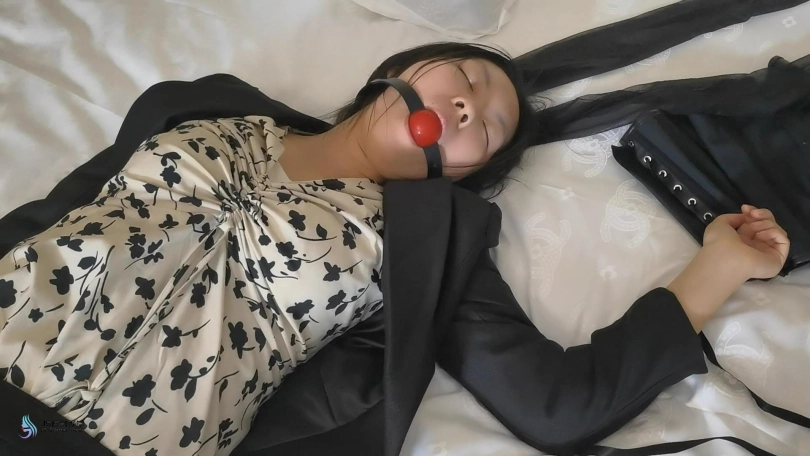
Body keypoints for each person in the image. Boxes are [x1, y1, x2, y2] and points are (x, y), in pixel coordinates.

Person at [0, 42, 790, 456]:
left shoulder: (426, 238)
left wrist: (715, 269)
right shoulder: (204, 106)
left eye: (488, 125)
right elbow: (54, 218)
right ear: (403, 70)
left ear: (470, 174)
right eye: (468, 78)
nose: (468, 104)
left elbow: (556, 406)